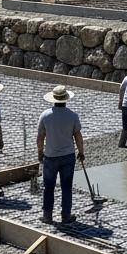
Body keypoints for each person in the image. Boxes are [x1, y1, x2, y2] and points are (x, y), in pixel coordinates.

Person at [36, 84, 85, 224]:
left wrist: (40, 152)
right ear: (66, 100)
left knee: (48, 186)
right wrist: (81, 152)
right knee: (66, 187)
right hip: (68, 156)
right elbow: (78, 136)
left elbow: (40, 137)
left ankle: (47, 215)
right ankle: (66, 215)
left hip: (51, 156)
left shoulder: (45, 115)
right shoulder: (72, 116)